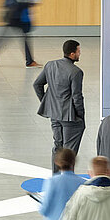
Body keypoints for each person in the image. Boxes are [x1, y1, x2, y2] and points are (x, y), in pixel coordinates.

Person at [33, 39, 85, 169]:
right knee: (70, 151)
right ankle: (68, 178)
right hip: (70, 117)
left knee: (57, 146)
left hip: (54, 115)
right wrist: (80, 115)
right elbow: (77, 97)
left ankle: (55, 177)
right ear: (72, 54)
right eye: (78, 51)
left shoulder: (50, 65)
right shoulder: (76, 72)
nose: (80, 54)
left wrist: (47, 102)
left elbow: (37, 84)